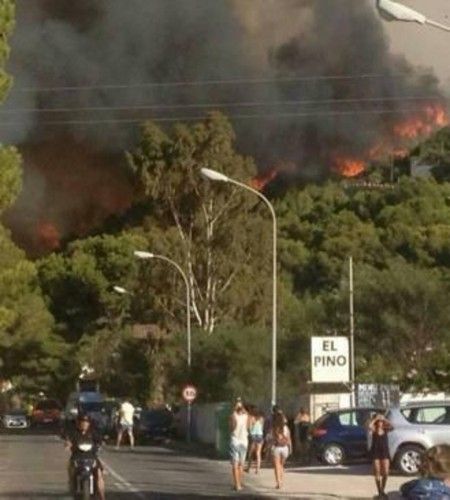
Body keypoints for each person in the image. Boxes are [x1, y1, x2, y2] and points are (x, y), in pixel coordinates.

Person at [64, 414, 105, 500]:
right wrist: (68, 444)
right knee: (71, 469)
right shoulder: (73, 432)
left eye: (86, 422)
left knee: (99, 473)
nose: (84, 424)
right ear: (78, 423)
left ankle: (102, 496)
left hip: (91, 457)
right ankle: (72, 486)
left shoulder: (93, 432)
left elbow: (100, 441)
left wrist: (101, 444)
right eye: (82, 422)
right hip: (77, 457)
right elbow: (68, 440)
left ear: (89, 423)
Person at [368, 412, 393, 499]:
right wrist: (375, 418)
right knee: (377, 472)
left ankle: (383, 490)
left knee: (385, 472)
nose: (380, 422)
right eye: (378, 421)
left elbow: (392, 427)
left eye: (381, 421)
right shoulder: (374, 429)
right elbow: (369, 426)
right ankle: (380, 492)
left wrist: (384, 418)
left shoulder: (385, 429)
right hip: (375, 452)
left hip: (385, 452)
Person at [229, 397, 249, 491]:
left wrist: (235, 407)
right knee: (241, 464)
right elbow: (248, 426)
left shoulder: (233, 416)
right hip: (244, 442)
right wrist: (242, 406)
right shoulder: (246, 417)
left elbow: (231, 428)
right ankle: (239, 483)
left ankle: (236, 484)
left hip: (235, 441)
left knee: (235, 463)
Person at [270, 409, 292, 490]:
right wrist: (290, 448)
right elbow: (289, 439)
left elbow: (271, 439)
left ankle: (278, 482)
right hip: (285, 448)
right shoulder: (286, 428)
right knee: (282, 466)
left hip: (276, 448)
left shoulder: (274, 428)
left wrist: (268, 448)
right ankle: (281, 481)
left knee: (277, 466)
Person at [246, 408, 264, 474]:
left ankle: (248, 468)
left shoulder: (251, 418)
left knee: (250, 453)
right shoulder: (261, 419)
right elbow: (262, 428)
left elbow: (249, 428)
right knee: (258, 453)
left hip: (253, 436)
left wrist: (249, 433)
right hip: (260, 435)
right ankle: (257, 469)